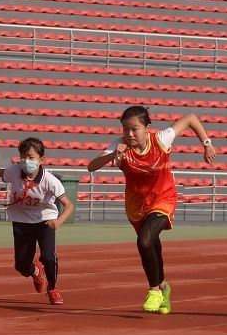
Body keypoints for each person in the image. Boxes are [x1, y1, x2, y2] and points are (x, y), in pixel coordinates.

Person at [87, 106, 216, 314]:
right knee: (152, 247)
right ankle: (164, 288)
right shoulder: (119, 145)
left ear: (147, 128)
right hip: (137, 205)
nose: (129, 134)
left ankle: (154, 291)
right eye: (125, 129)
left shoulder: (161, 139)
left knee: (144, 240)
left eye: (134, 129)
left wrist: (207, 144)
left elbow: (190, 118)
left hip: (163, 197)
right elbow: (91, 167)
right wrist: (110, 156)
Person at [0, 137, 74, 304]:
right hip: (21, 221)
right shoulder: (14, 171)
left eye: (31, 157)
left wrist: (58, 221)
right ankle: (35, 272)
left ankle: (53, 287)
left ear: (41, 160)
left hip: (45, 221)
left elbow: (69, 205)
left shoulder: (50, 181)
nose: (26, 161)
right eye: (23, 156)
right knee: (21, 265)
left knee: (49, 257)